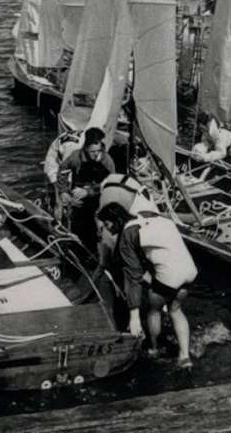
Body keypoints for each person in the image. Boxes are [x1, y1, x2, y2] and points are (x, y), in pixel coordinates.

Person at [95, 201, 197, 369]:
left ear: (115, 220)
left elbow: (133, 276)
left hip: (170, 275)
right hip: (189, 271)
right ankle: (185, 357)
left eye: (107, 224)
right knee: (175, 309)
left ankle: (154, 349)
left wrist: (133, 316)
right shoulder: (147, 216)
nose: (107, 229)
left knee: (153, 309)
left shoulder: (127, 235)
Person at [57, 126, 114, 247]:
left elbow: (110, 185)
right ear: (86, 148)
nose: (96, 154)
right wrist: (63, 191)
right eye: (93, 151)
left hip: (98, 201)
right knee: (76, 229)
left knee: (96, 233)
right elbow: (62, 172)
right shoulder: (75, 157)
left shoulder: (107, 161)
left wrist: (89, 192)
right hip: (78, 201)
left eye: (99, 150)